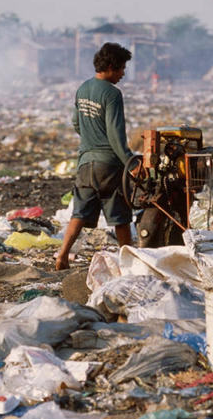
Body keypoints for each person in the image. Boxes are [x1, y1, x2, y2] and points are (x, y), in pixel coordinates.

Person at [56, 42, 134, 270]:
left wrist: (90, 139)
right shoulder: (112, 94)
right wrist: (130, 161)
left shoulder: (83, 89)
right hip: (108, 165)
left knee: (79, 213)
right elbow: (115, 135)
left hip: (85, 163)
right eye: (121, 68)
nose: (123, 74)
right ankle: (130, 262)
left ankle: (62, 255)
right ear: (110, 67)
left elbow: (75, 122)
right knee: (120, 217)